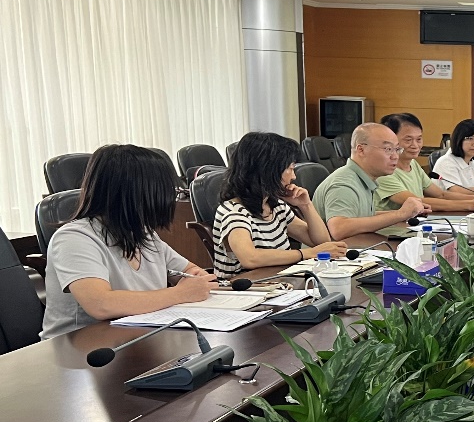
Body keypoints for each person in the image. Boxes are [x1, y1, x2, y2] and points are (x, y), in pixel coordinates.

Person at [41, 145, 219, 339]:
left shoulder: (143, 233)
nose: (170, 199)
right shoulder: (74, 238)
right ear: (137, 193)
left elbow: (190, 271)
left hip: (137, 336)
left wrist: (194, 280)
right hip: (79, 347)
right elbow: (100, 304)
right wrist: (180, 293)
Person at [212, 132, 348, 277]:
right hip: (244, 287)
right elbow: (250, 258)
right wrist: (307, 253)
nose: (294, 176)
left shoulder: (275, 206)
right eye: (290, 168)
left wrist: (306, 205)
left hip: (279, 282)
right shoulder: (233, 211)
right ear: (268, 170)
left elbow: (321, 243)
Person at [312, 123, 428, 239]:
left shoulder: (363, 178)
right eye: (388, 149)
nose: (395, 156)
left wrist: (405, 213)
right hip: (334, 250)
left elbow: (362, 216)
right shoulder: (344, 184)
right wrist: (400, 214)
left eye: (397, 149)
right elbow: (339, 229)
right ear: (361, 150)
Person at [377, 114, 474, 213]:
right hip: (394, 228)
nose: (415, 145)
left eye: (419, 139)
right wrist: (469, 204)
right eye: (408, 140)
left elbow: (441, 194)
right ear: (391, 140)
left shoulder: (413, 164)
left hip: (415, 222)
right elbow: (417, 202)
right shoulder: (383, 171)